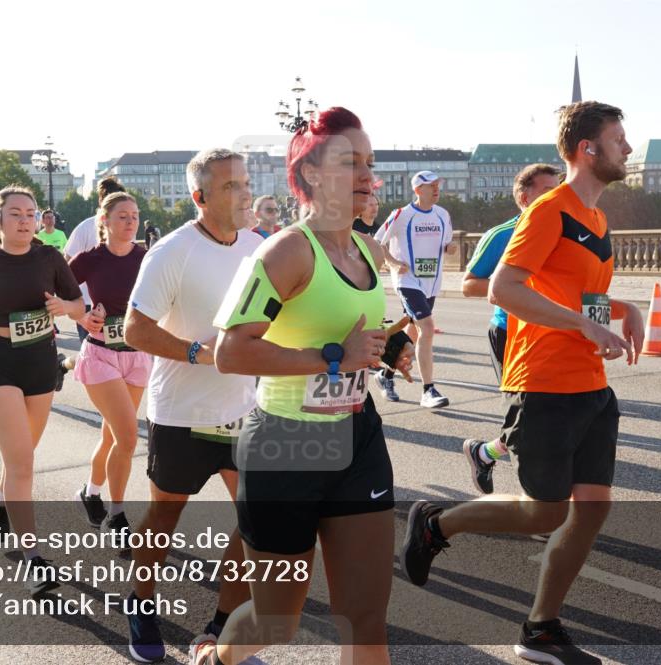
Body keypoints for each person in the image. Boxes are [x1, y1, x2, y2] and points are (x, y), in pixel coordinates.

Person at [401, 101, 644, 665]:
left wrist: (618, 306)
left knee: (592, 508)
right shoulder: (550, 211)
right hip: (545, 381)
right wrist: (586, 322)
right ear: (589, 149)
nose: (627, 148)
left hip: (590, 383)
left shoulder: (598, 219)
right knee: (545, 512)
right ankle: (437, 522)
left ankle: (541, 630)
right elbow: (502, 289)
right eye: (619, 139)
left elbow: (574, 296)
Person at [196, 108, 414, 665]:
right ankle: (216, 657)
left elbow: (349, 335)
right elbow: (230, 351)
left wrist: (386, 348)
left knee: (366, 620)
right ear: (312, 174)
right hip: (287, 443)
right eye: (350, 161)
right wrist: (330, 357)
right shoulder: (287, 251)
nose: (366, 174)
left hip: (357, 437)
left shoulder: (365, 250)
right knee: (277, 621)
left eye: (369, 162)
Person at [122, 149, 262, 662]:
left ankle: (223, 626)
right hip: (181, 413)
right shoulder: (172, 251)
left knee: (257, 521)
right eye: (231, 186)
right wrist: (199, 353)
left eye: (246, 183)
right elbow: (134, 329)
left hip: (245, 409)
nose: (245, 193)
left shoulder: (259, 246)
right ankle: (140, 602)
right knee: (164, 518)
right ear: (199, 197)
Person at [0, 185, 84, 592]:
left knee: (21, 457)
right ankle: (33, 559)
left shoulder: (50, 257)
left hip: (41, 362)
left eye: (30, 213)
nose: (25, 220)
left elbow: (78, 305)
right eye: (16, 214)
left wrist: (65, 310)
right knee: (24, 463)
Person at [460, 163, 560, 494]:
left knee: (553, 417)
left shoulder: (567, 230)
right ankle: (540, 507)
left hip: (557, 334)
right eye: (547, 191)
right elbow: (469, 285)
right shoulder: (502, 235)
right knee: (530, 419)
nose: (556, 196)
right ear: (523, 196)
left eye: (558, 189)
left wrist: (597, 326)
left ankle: (484, 453)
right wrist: (515, 286)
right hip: (512, 335)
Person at [66, 181, 150, 551]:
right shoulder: (91, 258)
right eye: (122, 216)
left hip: (137, 355)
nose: (130, 222)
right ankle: (117, 514)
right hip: (100, 355)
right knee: (128, 438)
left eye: (134, 216)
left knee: (112, 436)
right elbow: (55, 292)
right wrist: (84, 315)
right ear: (105, 220)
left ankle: (91, 491)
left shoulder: (146, 256)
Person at [373, 171, 456, 408]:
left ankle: (386, 375)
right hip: (408, 282)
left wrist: (450, 248)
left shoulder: (443, 215)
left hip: (432, 283)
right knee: (427, 328)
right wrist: (394, 263)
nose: (436, 189)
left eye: (438, 184)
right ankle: (428, 390)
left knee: (414, 332)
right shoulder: (401, 214)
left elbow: (448, 243)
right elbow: (378, 243)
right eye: (431, 186)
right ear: (418, 190)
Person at [64, 183, 110, 342]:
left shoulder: (127, 228)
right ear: (102, 202)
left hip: (117, 305)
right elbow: (66, 267)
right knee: (91, 354)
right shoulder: (85, 227)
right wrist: (79, 315)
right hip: (88, 305)